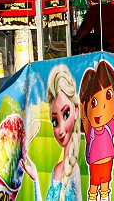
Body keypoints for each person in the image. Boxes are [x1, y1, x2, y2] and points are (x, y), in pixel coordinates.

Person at [80, 61, 114, 201]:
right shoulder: (91, 130)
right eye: (93, 103)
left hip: (107, 162)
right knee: (93, 186)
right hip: (95, 163)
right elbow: (85, 121)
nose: (101, 109)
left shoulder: (108, 128)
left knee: (105, 185)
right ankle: (93, 198)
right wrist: (83, 113)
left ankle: (104, 197)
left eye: (108, 96)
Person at [46, 65, 81, 201]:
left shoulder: (75, 169)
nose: (60, 131)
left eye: (66, 114)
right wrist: (35, 178)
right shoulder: (56, 169)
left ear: (75, 111)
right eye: (55, 121)